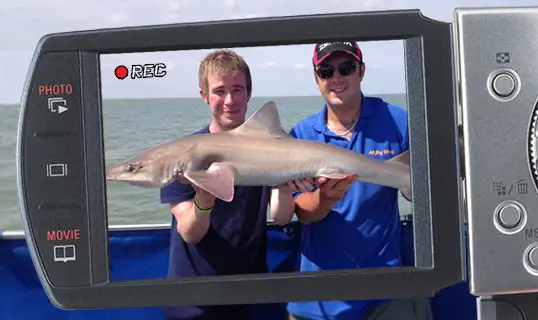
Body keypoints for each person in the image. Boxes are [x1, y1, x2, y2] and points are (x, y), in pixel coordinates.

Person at [272, 42, 433, 320]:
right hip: (320, 295)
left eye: (346, 68)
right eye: (325, 70)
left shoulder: (397, 121)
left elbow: (425, 192)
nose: (336, 78)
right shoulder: (302, 134)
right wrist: (326, 198)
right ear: (316, 77)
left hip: (386, 289)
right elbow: (301, 213)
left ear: (361, 71)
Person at [159, 49, 309, 320]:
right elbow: (190, 233)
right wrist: (204, 201)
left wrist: (285, 187)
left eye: (237, 90)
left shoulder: (271, 152)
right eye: (219, 91)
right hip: (193, 296)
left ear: (249, 93)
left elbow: (282, 215)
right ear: (204, 95)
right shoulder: (184, 153)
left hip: (249, 291)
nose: (229, 100)